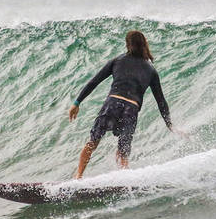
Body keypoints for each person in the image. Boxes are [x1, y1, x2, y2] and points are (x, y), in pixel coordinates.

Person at [68, 30, 178, 178]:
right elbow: (161, 101)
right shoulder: (151, 70)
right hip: (131, 109)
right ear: (144, 45)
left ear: (127, 44)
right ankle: (123, 181)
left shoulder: (117, 61)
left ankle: (78, 176)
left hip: (112, 103)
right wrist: (169, 124)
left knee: (93, 142)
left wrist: (77, 102)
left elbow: (95, 81)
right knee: (123, 152)